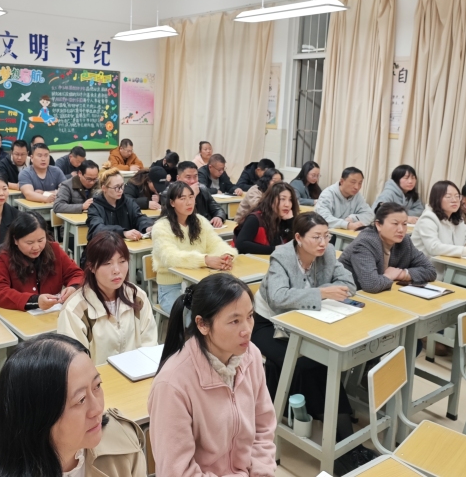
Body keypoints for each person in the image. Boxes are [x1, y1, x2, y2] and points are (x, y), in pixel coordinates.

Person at [252, 213, 376, 473]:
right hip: (268, 323)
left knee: (322, 361)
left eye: (326, 236)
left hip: (305, 320)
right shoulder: (282, 256)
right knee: (306, 364)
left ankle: (346, 444)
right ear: (298, 238)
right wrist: (322, 292)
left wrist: (321, 293)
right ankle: (342, 445)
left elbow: (349, 285)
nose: (323, 242)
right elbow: (278, 298)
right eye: (316, 237)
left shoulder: (328, 252)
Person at [0, 333, 147, 477]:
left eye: (97, 386)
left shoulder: (123, 441)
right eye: (81, 400)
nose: (97, 409)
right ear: (39, 416)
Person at [148, 274, 277, 476]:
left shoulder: (250, 355)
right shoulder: (172, 385)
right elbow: (177, 471)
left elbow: (264, 427)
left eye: (250, 316)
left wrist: (261, 471)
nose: (247, 330)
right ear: (202, 324)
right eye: (234, 321)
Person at [57, 232, 157, 364]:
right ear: (92, 267)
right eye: (107, 263)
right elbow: (74, 363)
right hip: (96, 377)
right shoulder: (75, 309)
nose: (116, 270)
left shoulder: (137, 296)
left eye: (122, 261)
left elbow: (150, 345)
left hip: (136, 372)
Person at [152, 182, 237, 312]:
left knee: (221, 309)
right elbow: (170, 257)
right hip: (171, 287)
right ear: (172, 202)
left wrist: (226, 255)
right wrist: (205, 260)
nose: (189, 202)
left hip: (198, 284)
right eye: (182, 198)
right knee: (192, 314)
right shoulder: (161, 226)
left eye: (191, 197)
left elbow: (216, 243)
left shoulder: (200, 221)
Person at [0, 212, 84, 311]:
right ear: (15, 240)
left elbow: (77, 274)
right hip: (13, 315)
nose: (36, 247)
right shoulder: (2, 257)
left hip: (48, 316)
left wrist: (73, 287)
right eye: (29, 243)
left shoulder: (54, 250)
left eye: (41, 240)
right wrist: (35, 301)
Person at [339, 202, 436, 292]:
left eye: (404, 224)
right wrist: (390, 276)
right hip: (349, 295)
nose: (401, 229)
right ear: (378, 225)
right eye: (395, 224)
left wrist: (403, 274)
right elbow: (371, 285)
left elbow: (430, 270)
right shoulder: (365, 243)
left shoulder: (404, 241)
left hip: (381, 294)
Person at [411, 180, 466, 280]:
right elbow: (434, 247)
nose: (454, 200)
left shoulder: (456, 218)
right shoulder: (428, 218)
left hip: (451, 268)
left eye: (457, 196)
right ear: (437, 199)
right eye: (448, 197)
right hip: (428, 272)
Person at [86, 168, 153, 241]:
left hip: (127, 245)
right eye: (116, 187)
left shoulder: (128, 202)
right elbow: (97, 229)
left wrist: (147, 227)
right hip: (104, 245)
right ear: (104, 188)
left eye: (122, 186)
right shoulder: (95, 207)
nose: (121, 190)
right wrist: (123, 233)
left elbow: (138, 217)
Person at [234, 182, 299, 255]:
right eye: (282, 199)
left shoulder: (286, 218)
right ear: (271, 200)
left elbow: (296, 245)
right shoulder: (255, 219)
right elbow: (241, 245)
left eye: (290, 200)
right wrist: (273, 249)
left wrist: (290, 222)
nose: (287, 204)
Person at [163, 161, 226, 226]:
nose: (193, 181)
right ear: (178, 178)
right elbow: (175, 218)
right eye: (188, 177)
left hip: (205, 226)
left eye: (195, 176)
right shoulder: (168, 193)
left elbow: (218, 209)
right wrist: (192, 195)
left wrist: (218, 217)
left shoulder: (202, 189)